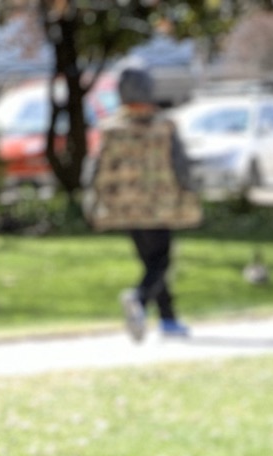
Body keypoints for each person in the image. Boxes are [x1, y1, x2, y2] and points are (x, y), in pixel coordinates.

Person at [84, 67, 199, 342]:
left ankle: (168, 319)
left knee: (151, 260)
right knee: (161, 262)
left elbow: (94, 169)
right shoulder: (164, 127)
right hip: (160, 206)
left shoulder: (111, 129)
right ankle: (139, 296)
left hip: (126, 209)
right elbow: (180, 167)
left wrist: (92, 200)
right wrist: (191, 191)